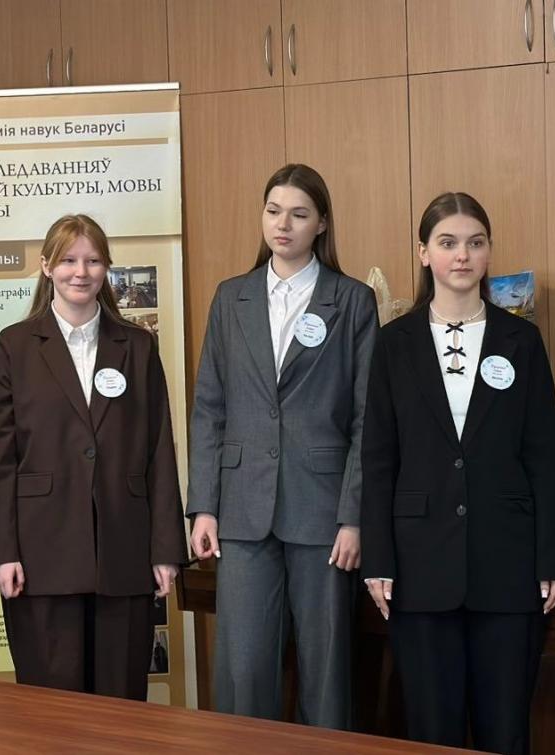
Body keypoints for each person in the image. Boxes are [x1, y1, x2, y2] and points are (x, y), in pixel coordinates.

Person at [361, 192, 555, 752]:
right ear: (424, 253)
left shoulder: (521, 340)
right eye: (448, 243)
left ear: (488, 252)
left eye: (475, 243)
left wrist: (554, 557)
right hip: (419, 566)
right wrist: (378, 559)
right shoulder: (393, 343)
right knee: (432, 732)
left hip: (507, 565)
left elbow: (544, 455)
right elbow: (378, 458)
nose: (462, 255)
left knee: (506, 729)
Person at [187, 163, 378, 728]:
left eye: (298, 214)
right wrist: (204, 506)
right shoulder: (231, 298)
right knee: (242, 671)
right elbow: (209, 408)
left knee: (326, 672)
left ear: (322, 223)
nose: (283, 225)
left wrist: (354, 516)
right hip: (242, 510)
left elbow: (368, 419)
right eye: (273, 211)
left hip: (323, 513)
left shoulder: (352, 300)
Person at [0, 213, 186, 700]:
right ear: (47, 266)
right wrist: (2, 553)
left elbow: (158, 449)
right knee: (51, 706)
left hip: (124, 551)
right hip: (41, 555)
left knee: (119, 702)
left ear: (106, 268)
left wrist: (165, 549)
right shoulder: (15, 346)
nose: (81, 272)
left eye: (93, 261)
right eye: (69, 260)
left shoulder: (137, 345)